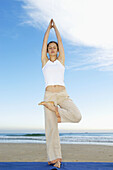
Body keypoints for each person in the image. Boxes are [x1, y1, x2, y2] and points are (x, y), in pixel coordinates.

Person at [38, 19, 82, 168]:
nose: (52, 49)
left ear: (57, 51)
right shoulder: (45, 62)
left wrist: (55, 28)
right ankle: (56, 159)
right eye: (49, 47)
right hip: (49, 95)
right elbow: (43, 42)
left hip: (63, 94)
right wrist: (47, 29)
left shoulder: (61, 60)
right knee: (51, 129)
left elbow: (61, 41)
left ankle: (56, 110)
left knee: (77, 116)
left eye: (54, 47)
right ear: (47, 50)